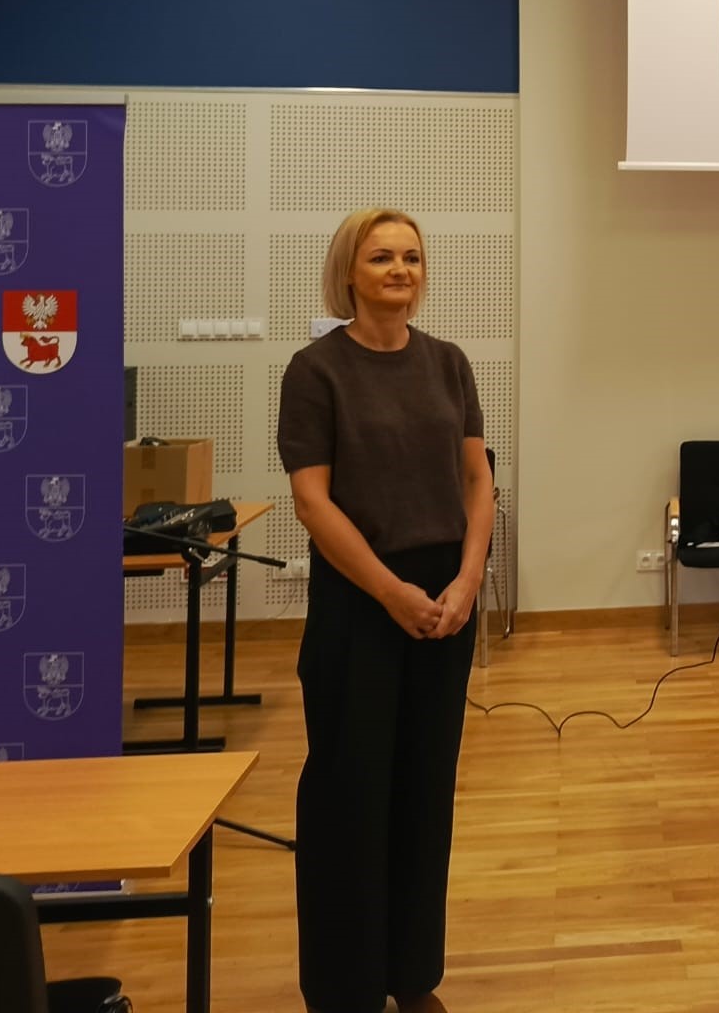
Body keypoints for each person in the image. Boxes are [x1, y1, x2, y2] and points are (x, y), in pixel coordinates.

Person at [277, 208, 494, 1013]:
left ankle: (411, 974)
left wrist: (467, 580)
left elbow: (477, 480)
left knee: (423, 791)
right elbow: (312, 501)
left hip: (445, 601)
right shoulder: (316, 370)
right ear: (349, 273)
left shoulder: (449, 364)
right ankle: (346, 988)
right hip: (360, 599)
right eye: (381, 258)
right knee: (350, 792)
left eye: (411, 257)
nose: (400, 270)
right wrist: (389, 591)